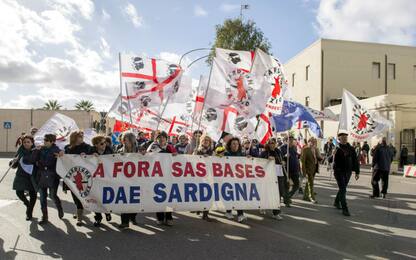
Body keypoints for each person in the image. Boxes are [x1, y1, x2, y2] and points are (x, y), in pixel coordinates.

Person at [31, 134, 63, 225]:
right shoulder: (40, 149)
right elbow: (32, 160)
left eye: (46, 140)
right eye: (44, 140)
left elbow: (63, 157)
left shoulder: (56, 150)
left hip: (53, 176)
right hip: (41, 175)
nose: (44, 142)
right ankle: (45, 217)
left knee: (53, 195)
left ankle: (59, 208)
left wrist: (61, 155)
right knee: (42, 197)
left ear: (52, 142)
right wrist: (36, 151)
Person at [148, 131, 177, 226]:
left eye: (163, 137)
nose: (161, 139)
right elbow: (147, 157)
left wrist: (175, 155)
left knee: (169, 197)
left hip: (169, 175)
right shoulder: (153, 147)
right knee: (159, 196)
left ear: (166, 138)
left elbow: (177, 159)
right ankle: (160, 217)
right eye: (159, 137)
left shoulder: (171, 148)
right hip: (157, 175)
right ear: (157, 139)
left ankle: (169, 217)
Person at [64, 131, 91, 226]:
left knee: (81, 194)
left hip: (84, 175)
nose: (82, 137)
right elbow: (64, 159)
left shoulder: (87, 147)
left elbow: (93, 156)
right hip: (72, 175)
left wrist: (89, 155)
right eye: (80, 136)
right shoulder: (67, 148)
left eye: (82, 135)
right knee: (75, 195)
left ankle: (79, 216)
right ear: (74, 137)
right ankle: (79, 210)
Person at [9, 135, 37, 221]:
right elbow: (14, 164)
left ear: (32, 143)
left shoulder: (36, 151)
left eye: (28, 142)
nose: (26, 144)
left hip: (32, 175)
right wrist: (12, 162)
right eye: (24, 142)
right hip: (21, 174)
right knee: (19, 192)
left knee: (33, 194)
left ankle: (29, 212)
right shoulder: (20, 151)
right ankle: (27, 203)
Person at [333, 132, 360, 216]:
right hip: (338, 171)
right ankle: (345, 209)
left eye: (346, 137)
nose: (345, 139)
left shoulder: (351, 148)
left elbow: (355, 161)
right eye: (343, 137)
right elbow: (331, 161)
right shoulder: (336, 148)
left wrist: (357, 172)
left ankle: (336, 202)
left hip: (348, 172)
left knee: (342, 188)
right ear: (339, 139)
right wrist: (333, 155)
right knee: (343, 189)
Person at [260, 138, 286, 220]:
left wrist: (283, 162)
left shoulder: (278, 151)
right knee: (267, 192)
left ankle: (276, 213)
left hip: (278, 174)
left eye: (274, 143)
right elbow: (259, 162)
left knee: (279, 193)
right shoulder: (264, 152)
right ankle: (263, 206)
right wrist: (267, 160)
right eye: (271, 143)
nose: (272, 144)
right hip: (268, 176)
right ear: (268, 144)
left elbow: (282, 160)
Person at [89, 135, 112, 227]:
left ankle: (107, 212)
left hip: (106, 178)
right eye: (102, 143)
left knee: (105, 197)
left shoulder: (109, 150)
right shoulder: (91, 151)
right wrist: (90, 156)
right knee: (95, 199)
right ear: (96, 145)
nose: (104, 145)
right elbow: (82, 158)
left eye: (105, 142)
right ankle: (98, 218)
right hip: (95, 179)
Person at [118, 132, 139, 228]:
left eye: (126, 139)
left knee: (135, 200)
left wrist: (143, 155)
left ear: (131, 140)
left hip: (136, 179)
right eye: (123, 139)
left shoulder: (138, 150)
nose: (124, 141)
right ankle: (124, 222)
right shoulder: (119, 149)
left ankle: (133, 217)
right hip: (123, 179)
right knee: (124, 200)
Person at [224, 137, 247, 223]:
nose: (235, 145)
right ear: (230, 145)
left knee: (239, 196)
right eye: (233, 143)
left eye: (237, 144)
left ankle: (240, 214)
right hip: (228, 179)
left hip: (238, 179)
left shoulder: (241, 154)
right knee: (229, 196)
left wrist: (248, 159)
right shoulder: (225, 154)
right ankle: (228, 212)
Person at [193, 134, 214, 221]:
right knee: (199, 193)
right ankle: (198, 208)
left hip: (209, 176)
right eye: (204, 140)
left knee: (209, 194)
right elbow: (192, 161)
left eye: (207, 140)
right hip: (199, 176)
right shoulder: (197, 151)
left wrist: (210, 158)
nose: (206, 142)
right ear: (201, 141)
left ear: (210, 142)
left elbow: (217, 162)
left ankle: (205, 214)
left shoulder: (212, 152)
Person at [280, 136, 300, 200]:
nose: (291, 141)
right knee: (286, 185)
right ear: (286, 141)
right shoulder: (282, 148)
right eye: (290, 140)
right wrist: (285, 156)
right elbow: (280, 158)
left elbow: (296, 156)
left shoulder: (294, 147)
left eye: (292, 140)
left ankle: (288, 196)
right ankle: (286, 201)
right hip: (287, 170)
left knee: (297, 185)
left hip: (295, 169)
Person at [301, 138, 320, 203]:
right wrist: (304, 171)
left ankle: (305, 196)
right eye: (312, 142)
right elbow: (302, 161)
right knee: (311, 183)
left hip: (314, 169)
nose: (314, 143)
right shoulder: (305, 149)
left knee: (308, 183)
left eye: (315, 142)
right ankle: (312, 197)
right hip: (308, 169)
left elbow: (317, 158)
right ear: (308, 142)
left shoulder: (315, 149)